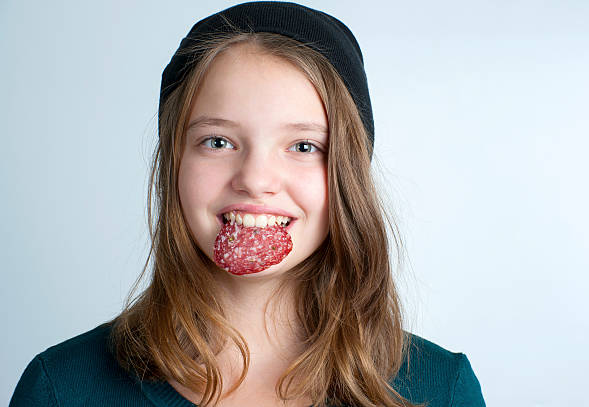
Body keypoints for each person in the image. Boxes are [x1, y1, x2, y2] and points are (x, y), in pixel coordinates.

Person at [10, 2, 486, 406]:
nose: (255, 181)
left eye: (303, 147)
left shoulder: (441, 390)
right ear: (174, 161)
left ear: (347, 175)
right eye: (218, 142)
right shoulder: (60, 388)